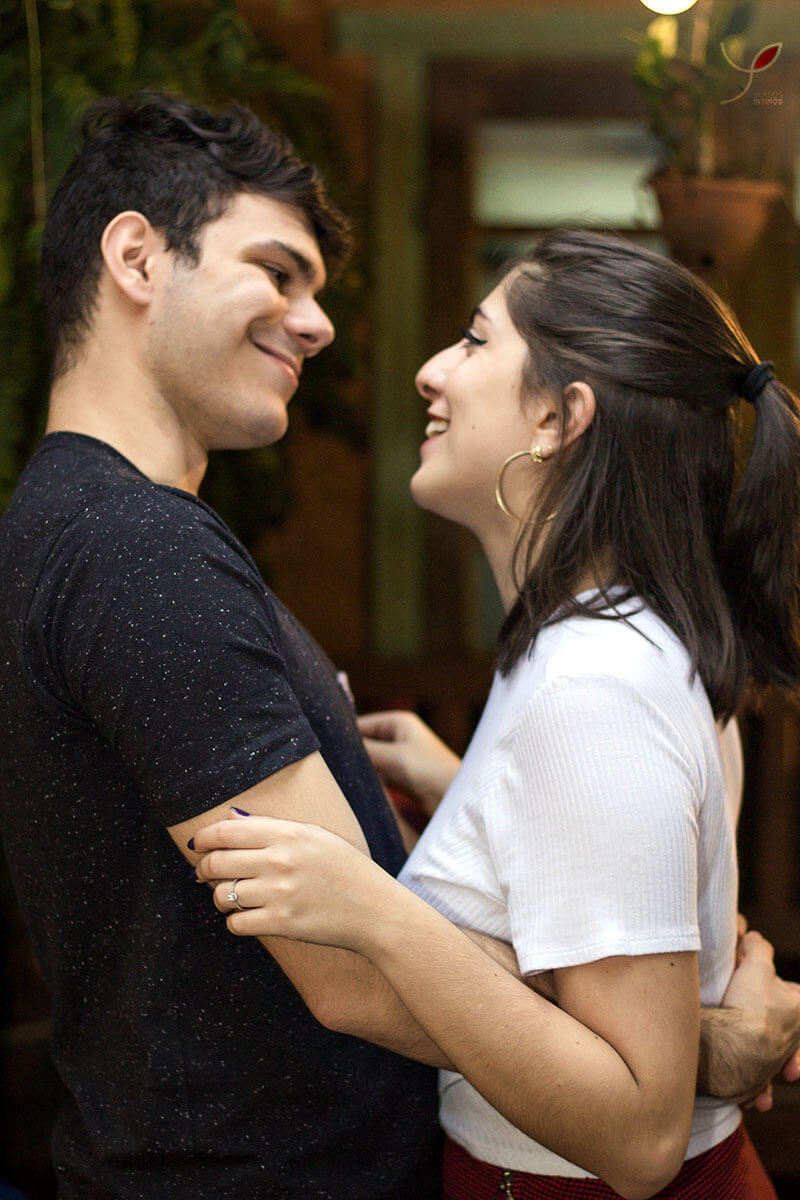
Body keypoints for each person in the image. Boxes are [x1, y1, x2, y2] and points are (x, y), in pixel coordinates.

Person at [191, 230, 800, 1199]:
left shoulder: (591, 691)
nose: (433, 371)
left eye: (475, 342)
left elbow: (637, 1137)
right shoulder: (604, 643)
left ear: (560, 418)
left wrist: (379, 916)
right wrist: (465, 785)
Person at [0, 90, 443, 1199]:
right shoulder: (132, 545)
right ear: (139, 257)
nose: (316, 321)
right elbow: (350, 973)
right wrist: (652, 1047)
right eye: (277, 272)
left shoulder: (76, 523)